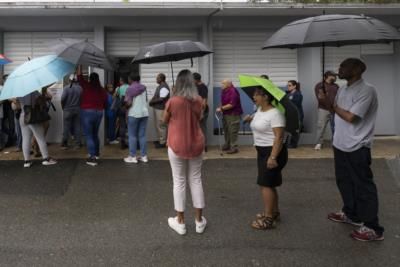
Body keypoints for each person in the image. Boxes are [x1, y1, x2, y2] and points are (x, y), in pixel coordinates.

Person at [327, 58, 384, 242]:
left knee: (363, 186)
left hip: (358, 145)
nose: (339, 69)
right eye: (340, 65)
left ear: (358, 69)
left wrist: (334, 106)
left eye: (344, 66)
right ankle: (352, 214)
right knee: (344, 181)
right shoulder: (343, 88)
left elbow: (351, 117)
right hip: (340, 143)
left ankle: (373, 228)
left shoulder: (367, 90)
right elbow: (336, 111)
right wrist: (326, 99)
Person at [163, 69, 207, 235]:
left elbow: (164, 120)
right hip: (196, 143)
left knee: (179, 181)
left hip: (176, 144)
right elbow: (199, 117)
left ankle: (180, 222)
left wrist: (173, 98)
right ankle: (199, 221)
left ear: (178, 83)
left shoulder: (173, 101)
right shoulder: (198, 100)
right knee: (196, 179)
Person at [243, 86, 288, 230]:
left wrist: (273, 157)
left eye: (257, 95)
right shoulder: (259, 111)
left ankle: (268, 219)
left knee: (265, 185)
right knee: (269, 183)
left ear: (266, 97)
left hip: (272, 151)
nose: (254, 97)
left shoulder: (275, 114)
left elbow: (279, 137)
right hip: (262, 151)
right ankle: (274, 212)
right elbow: (261, 127)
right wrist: (250, 120)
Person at [77, 66, 108, 166]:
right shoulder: (102, 90)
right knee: (95, 134)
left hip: (87, 112)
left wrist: (80, 65)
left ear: (90, 79)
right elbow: (105, 103)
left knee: (89, 135)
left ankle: (92, 157)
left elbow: (79, 76)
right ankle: (97, 153)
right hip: (99, 113)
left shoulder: (86, 86)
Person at [18, 90, 57, 168]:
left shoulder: (19, 92)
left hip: (23, 116)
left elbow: (17, 104)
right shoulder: (33, 91)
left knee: (25, 139)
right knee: (40, 137)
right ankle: (46, 159)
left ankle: (27, 161)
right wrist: (43, 94)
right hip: (33, 116)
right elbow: (41, 102)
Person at [123, 74, 149, 164]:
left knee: (132, 135)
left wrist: (124, 106)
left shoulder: (130, 89)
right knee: (142, 135)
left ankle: (132, 156)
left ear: (131, 79)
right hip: (144, 113)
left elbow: (128, 103)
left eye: (129, 78)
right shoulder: (144, 88)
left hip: (133, 114)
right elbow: (146, 100)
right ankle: (144, 156)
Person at [216, 80, 243, 154]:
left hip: (233, 114)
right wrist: (222, 108)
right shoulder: (224, 91)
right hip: (226, 113)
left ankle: (234, 147)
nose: (221, 84)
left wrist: (221, 108)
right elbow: (223, 102)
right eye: (222, 83)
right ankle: (227, 144)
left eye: (223, 83)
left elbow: (232, 104)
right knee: (227, 130)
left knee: (232, 131)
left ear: (229, 84)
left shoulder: (233, 91)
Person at [314, 71, 339, 150]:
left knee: (335, 127)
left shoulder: (336, 86)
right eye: (333, 76)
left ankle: (335, 143)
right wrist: (330, 107)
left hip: (335, 110)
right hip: (323, 109)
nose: (335, 77)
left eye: (335, 76)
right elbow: (321, 98)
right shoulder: (320, 85)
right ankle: (319, 143)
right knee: (321, 127)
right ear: (327, 76)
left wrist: (336, 108)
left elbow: (339, 97)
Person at [32, 86, 54, 157]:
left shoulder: (40, 91)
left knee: (41, 130)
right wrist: (43, 95)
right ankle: (36, 148)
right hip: (39, 114)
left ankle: (36, 147)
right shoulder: (35, 91)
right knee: (39, 132)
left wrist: (44, 92)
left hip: (41, 114)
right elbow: (40, 104)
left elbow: (50, 97)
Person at [61, 74, 82, 149]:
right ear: (76, 80)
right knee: (77, 127)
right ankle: (77, 144)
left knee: (66, 127)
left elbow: (62, 99)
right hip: (78, 109)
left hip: (67, 109)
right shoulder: (80, 88)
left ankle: (64, 144)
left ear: (69, 80)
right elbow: (82, 99)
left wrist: (63, 107)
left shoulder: (66, 88)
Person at [149, 73, 169, 149]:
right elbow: (156, 96)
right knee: (158, 125)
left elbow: (162, 99)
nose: (156, 80)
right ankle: (160, 139)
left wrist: (152, 102)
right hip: (157, 108)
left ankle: (163, 142)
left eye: (157, 78)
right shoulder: (160, 86)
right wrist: (152, 100)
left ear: (161, 79)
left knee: (161, 125)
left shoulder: (164, 87)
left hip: (161, 109)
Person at [193, 72, 209, 152]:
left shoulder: (203, 87)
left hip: (202, 111)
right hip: (196, 112)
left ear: (195, 79)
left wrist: (202, 113)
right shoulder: (195, 86)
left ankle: (204, 146)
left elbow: (204, 101)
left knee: (202, 129)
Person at [286, 80, 303, 148]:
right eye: (288, 85)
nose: (288, 87)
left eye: (289, 85)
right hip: (290, 115)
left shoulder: (298, 94)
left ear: (294, 86)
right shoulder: (288, 94)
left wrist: (289, 101)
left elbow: (295, 104)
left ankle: (293, 144)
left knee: (295, 130)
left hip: (297, 115)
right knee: (290, 130)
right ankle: (288, 143)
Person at [115, 76, 129, 149]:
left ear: (122, 80)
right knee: (130, 126)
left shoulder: (119, 88)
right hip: (128, 108)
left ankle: (122, 143)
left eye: (120, 80)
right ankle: (131, 142)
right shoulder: (130, 87)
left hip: (121, 108)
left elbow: (115, 97)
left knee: (122, 126)